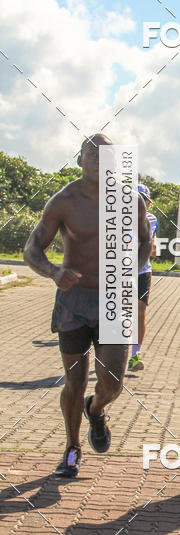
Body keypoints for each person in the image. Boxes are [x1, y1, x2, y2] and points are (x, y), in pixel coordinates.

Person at [23, 134, 152, 478]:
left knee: (112, 383)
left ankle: (96, 411)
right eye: (90, 154)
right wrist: (53, 271)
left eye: (106, 154)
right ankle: (71, 447)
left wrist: (134, 268)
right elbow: (32, 249)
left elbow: (144, 240)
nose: (98, 159)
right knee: (74, 381)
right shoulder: (64, 201)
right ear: (80, 160)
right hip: (74, 301)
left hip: (114, 297)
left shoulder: (131, 201)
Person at [128, 183, 158, 371]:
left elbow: (154, 245)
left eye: (143, 200)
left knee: (139, 311)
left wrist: (154, 247)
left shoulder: (152, 219)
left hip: (142, 271)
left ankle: (134, 355)